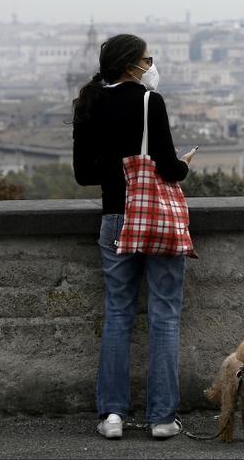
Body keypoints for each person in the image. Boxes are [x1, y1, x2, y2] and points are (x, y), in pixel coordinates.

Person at [71, 33, 197, 440]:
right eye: (147, 59)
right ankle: (162, 418)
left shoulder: (88, 104)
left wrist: (116, 172)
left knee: (118, 315)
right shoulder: (149, 102)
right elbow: (169, 169)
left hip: (115, 219)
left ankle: (112, 415)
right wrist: (184, 163)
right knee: (165, 314)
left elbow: (83, 174)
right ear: (131, 65)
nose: (151, 65)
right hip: (154, 218)